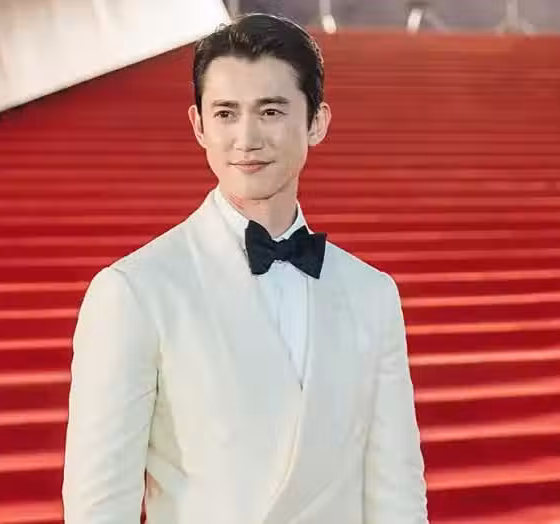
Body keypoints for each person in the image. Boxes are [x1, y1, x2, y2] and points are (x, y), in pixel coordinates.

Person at [62, 13, 428, 524]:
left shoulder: (371, 293)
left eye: (271, 111)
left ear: (317, 122)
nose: (247, 138)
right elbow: (99, 509)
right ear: (199, 126)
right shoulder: (134, 292)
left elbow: (397, 496)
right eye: (226, 113)